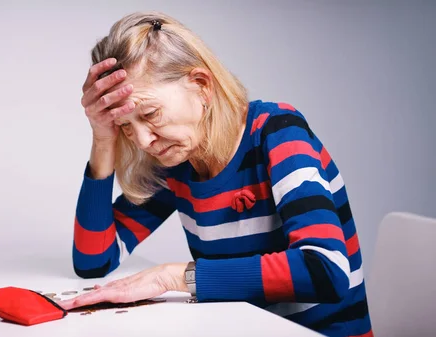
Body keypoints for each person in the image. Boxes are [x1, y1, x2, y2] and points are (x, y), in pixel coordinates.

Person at [58, 11, 372, 337]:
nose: (142, 140)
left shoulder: (277, 132)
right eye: (125, 126)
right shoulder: (177, 163)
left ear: (201, 86)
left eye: (150, 113)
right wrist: (103, 138)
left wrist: (175, 277)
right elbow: (93, 261)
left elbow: (326, 269)